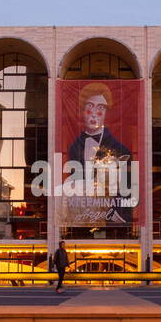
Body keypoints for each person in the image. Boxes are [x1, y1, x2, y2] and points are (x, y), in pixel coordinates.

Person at [65, 82, 135, 225]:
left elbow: (127, 190)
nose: (94, 113)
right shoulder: (73, 148)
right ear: (82, 110)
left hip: (110, 220)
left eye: (100, 107)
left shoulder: (121, 150)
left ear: (106, 112)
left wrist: (113, 215)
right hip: (81, 217)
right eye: (90, 106)